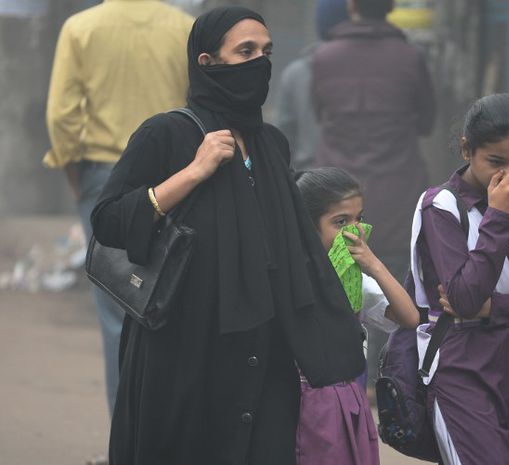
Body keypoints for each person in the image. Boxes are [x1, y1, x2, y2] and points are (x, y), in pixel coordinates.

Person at [90, 7, 365, 465]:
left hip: (262, 349)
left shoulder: (269, 144)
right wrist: (195, 171)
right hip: (184, 348)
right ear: (206, 62)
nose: (260, 62)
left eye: (266, 51)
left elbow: (289, 237)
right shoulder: (168, 133)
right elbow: (110, 220)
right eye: (245, 51)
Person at [44, 0, 194, 416]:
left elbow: (62, 115)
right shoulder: (184, 27)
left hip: (105, 176)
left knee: (118, 308)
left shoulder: (81, 28)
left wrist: (74, 173)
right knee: (175, 297)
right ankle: (171, 437)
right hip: (176, 175)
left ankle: (126, 441)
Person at [410, 94, 509, 465]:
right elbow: (463, 299)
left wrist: (493, 307)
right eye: (495, 162)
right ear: (467, 149)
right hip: (458, 360)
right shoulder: (441, 206)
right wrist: (497, 216)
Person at [312, 0, 436, 386]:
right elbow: (428, 121)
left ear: (350, 6)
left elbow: (319, 114)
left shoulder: (325, 57)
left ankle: (347, 375)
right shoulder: (410, 57)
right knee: (391, 279)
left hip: (335, 192)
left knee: (334, 275)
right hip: (397, 187)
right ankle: (387, 378)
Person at [295, 167, 420, 465]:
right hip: (305, 408)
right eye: (340, 222)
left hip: (350, 401)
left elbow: (409, 317)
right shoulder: (293, 281)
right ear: (307, 227)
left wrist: (374, 264)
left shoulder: (354, 280)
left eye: (358, 219)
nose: (354, 231)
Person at [274, 0, 349, 170]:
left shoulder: (297, 72)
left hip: (310, 179)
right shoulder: (379, 68)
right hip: (369, 181)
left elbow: (284, 139)